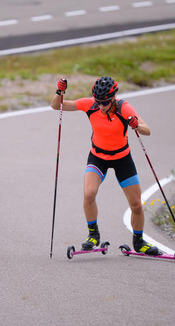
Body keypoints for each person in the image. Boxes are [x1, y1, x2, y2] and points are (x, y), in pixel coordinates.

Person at [50, 77, 159, 255]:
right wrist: (59, 92)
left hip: (122, 158)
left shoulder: (124, 108)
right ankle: (93, 235)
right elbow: (56, 106)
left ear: (114, 97)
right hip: (98, 157)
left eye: (105, 102)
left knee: (136, 205)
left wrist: (135, 124)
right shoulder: (90, 105)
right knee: (89, 194)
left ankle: (139, 242)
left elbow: (147, 130)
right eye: (99, 102)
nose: (101, 106)